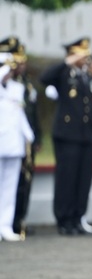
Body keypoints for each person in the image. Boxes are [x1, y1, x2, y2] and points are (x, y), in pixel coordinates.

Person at [39, 37, 92, 236]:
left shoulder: (87, 77)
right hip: (67, 135)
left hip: (86, 135)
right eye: (81, 55)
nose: (85, 60)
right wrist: (67, 62)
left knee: (83, 179)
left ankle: (78, 217)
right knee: (67, 178)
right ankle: (64, 219)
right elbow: (45, 78)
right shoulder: (64, 73)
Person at [0, 37, 41, 239]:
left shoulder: (18, 89)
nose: (9, 72)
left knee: (9, 187)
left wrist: (31, 137)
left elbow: (20, 115)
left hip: (13, 145)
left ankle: (5, 225)